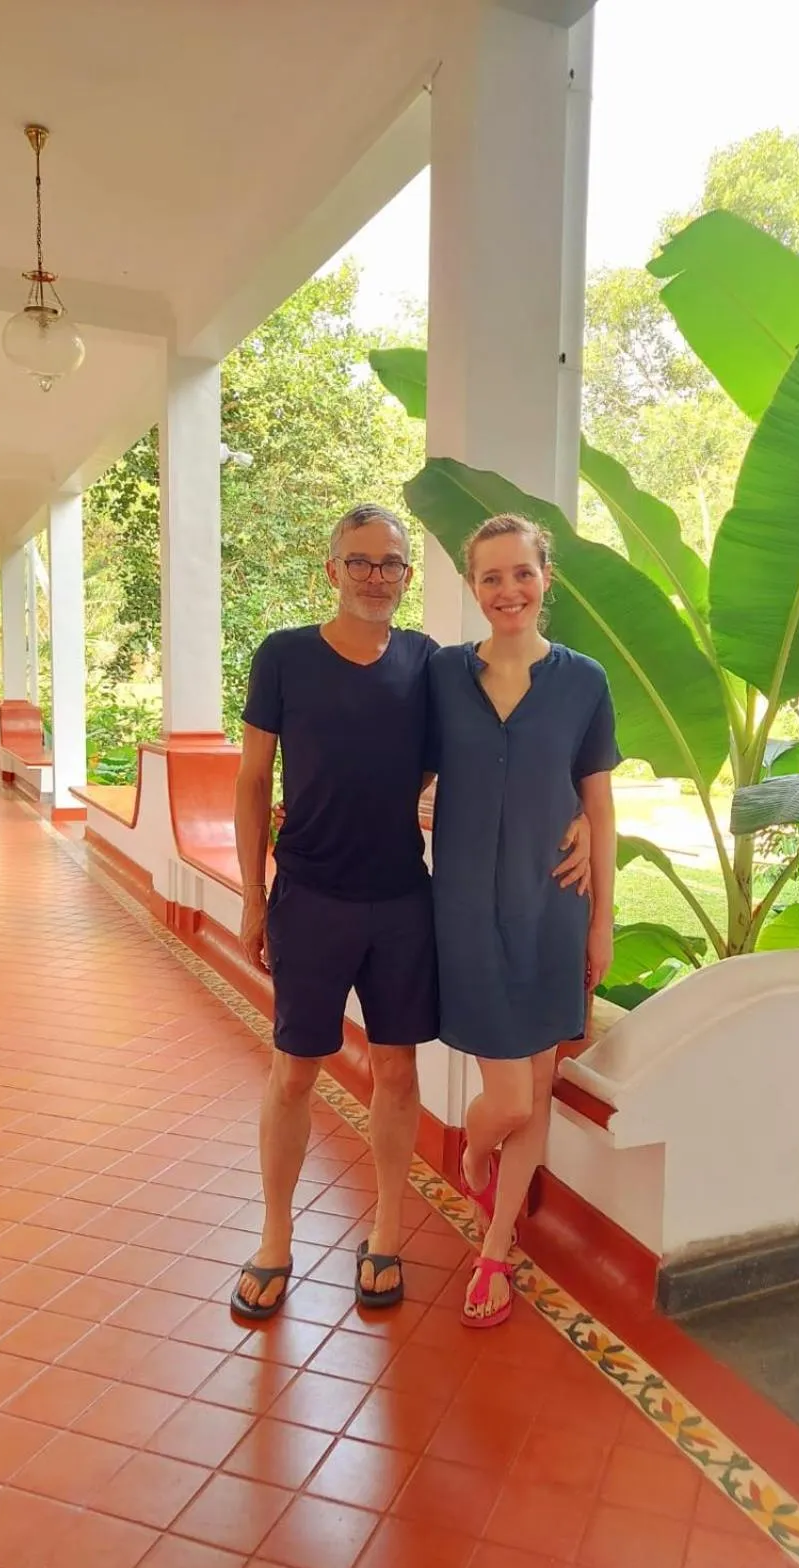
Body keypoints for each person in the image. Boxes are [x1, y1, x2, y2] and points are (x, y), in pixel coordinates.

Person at [231, 504, 591, 1319]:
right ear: (331, 570)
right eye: (358, 561)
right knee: (293, 1073)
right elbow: (254, 781)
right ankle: (275, 1238)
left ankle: (386, 1233)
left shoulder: (428, 663)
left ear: (405, 575)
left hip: (401, 901)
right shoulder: (283, 656)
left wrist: (581, 820)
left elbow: (503, 743)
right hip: (309, 898)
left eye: (391, 563)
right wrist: (254, 894)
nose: (375, 576)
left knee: (396, 1071)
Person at [428, 512, 618, 1329]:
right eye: (490, 576)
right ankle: (472, 1153)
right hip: (466, 906)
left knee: (534, 1091)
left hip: (551, 906)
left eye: (521, 573)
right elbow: (406, 760)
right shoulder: (439, 674)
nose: (507, 590)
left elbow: (600, 806)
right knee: (505, 1098)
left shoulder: (584, 681)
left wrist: (601, 921)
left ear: (547, 579)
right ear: (473, 586)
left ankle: (496, 1247)